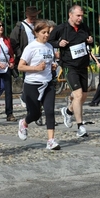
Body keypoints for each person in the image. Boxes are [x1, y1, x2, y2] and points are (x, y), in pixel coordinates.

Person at [48, 5, 93, 138]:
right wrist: (58, 43)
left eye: (81, 16)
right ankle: (80, 126)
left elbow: (89, 39)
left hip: (83, 65)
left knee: (83, 96)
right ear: (70, 15)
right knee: (78, 95)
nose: (80, 18)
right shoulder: (61, 28)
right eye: (78, 15)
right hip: (69, 65)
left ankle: (68, 111)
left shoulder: (84, 27)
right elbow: (49, 41)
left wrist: (90, 40)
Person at [17, 19, 60, 150]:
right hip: (32, 84)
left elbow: (50, 62)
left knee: (50, 111)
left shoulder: (49, 47)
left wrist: (53, 66)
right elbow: (20, 67)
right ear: (36, 33)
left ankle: (51, 141)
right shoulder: (30, 47)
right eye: (43, 32)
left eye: (48, 33)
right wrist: (35, 68)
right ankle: (24, 123)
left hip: (47, 83)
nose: (46, 35)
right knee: (35, 114)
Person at [10, 6, 41, 78]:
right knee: (28, 76)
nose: (34, 18)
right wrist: (20, 54)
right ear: (27, 15)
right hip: (26, 55)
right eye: (31, 16)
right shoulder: (20, 26)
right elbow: (13, 41)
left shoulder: (38, 25)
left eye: (35, 16)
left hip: (38, 54)